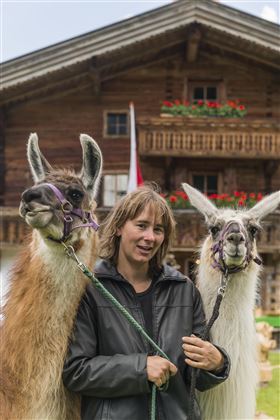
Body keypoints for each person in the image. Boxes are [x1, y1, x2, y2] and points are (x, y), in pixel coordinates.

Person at [63, 186, 230, 420]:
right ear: (120, 227)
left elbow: (194, 377)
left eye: (158, 229)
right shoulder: (91, 289)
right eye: (141, 225)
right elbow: (77, 371)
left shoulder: (183, 289)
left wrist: (217, 363)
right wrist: (140, 369)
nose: (150, 237)